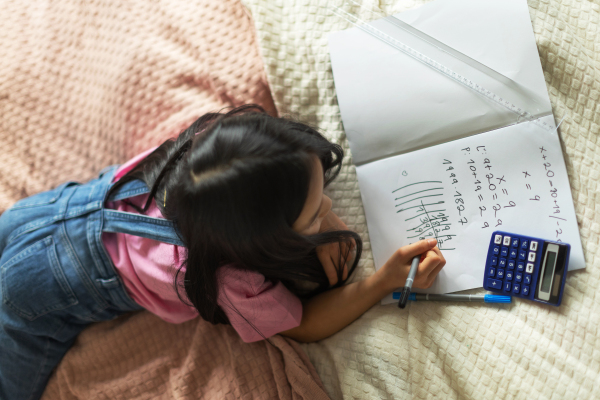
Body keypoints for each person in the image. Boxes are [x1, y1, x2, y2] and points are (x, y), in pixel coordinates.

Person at [0, 104, 446, 399]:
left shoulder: (205, 144)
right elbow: (303, 326)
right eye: (313, 215)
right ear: (257, 245)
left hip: (41, 215)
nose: (329, 209)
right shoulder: (234, 279)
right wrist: (381, 282)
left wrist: (317, 224)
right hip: (41, 291)